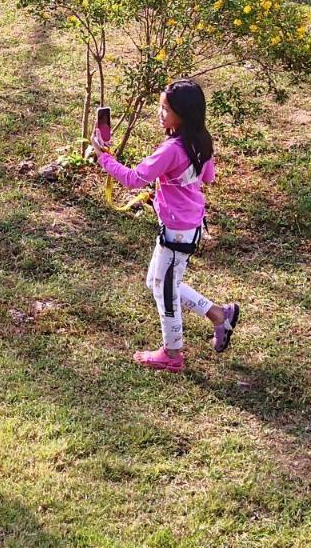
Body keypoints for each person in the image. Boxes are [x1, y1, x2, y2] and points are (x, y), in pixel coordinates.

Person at [91, 80, 240, 373]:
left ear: (183, 114)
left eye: (166, 109)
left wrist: (103, 158)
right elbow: (206, 177)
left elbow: (134, 179)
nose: (160, 113)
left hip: (176, 233)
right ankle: (219, 314)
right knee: (157, 283)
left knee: (166, 293)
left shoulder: (172, 149)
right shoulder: (202, 140)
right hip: (189, 225)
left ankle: (172, 354)